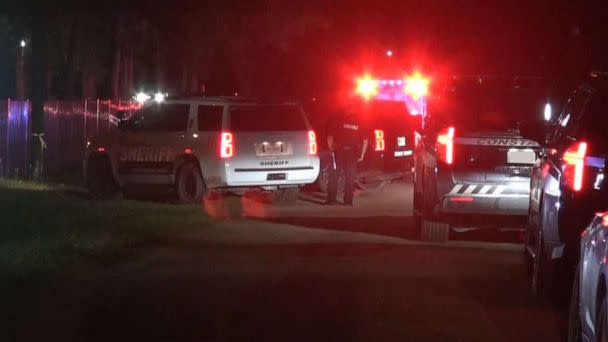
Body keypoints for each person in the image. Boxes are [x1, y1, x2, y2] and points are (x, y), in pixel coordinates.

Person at [325, 104, 369, 206]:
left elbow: (330, 137)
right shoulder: (360, 122)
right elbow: (365, 140)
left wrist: (331, 149)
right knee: (350, 178)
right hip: (352, 153)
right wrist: (362, 154)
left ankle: (331, 200)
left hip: (338, 152)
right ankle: (348, 201)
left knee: (334, 175)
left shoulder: (337, 120)